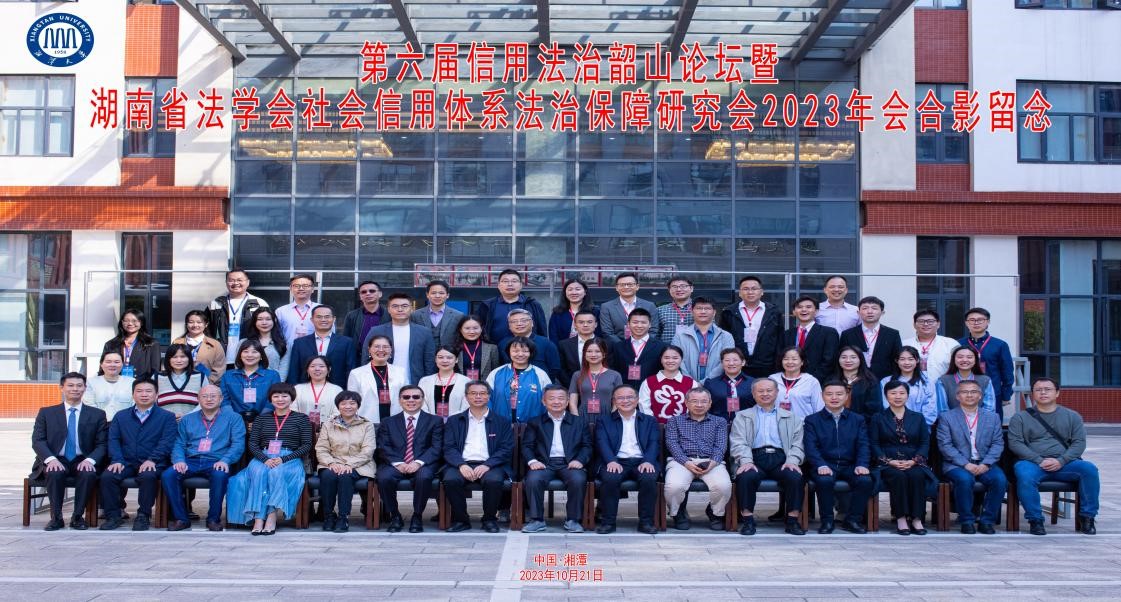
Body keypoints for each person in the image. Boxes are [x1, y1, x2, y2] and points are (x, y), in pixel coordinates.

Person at [1008, 377, 1098, 536]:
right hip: (1033, 463)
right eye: (1038, 390)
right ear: (1032, 394)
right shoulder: (1020, 417)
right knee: (1023, 473)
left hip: (1065, 464)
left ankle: (1087, 517)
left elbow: (1079, 443)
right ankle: (1035, 520)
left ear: (1057, 393)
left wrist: (1061, 460)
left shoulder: (1072, 416)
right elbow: (1015, 443)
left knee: (1089, 469)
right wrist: (1039, 460)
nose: (1043, 392)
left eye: (1047, 389)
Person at [226, 383, 313, 534]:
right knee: (259, 473)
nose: (280, 399)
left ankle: (271, 516)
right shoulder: (261, 419)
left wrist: (284, 459)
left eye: (284, 396)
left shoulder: (301, 418)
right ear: (270, 399)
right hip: (263, 457)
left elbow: (306, 445)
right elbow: (253, 444)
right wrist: (264, 459)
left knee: (275, 473)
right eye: (276, 396)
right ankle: (259, 519)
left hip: (289, 459)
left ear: (292, 398)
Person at [162, 384, 246, 531]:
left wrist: (225, 460)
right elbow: (179, 443)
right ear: (198, 399)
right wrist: (179, 460)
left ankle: (213, 519)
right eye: (205, 396)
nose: (209, 399)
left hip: (217, 460)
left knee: (220, 475)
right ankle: (181, 518)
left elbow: (238, 444)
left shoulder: (234, 418)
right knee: (168, 475)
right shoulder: (187, 419)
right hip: (191, 460)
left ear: (221, 399)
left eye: (213, 396)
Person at [98, 378, 177, 531]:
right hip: (125, 461)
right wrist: (117, 460)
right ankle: (113, 516)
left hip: (153, 462)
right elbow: (113, 439)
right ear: (133, 394)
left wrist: (152, 460)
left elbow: (167, 442)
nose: (144, 394)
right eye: (139, 391)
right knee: (108, 476)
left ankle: (143, 515)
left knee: (148, 476)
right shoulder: (121, 416)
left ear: (156, 395)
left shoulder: (167, 417)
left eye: (148, 391)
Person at [32, 372, 107, 531]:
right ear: (62, 388)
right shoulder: (46, 413)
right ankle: (56, 518)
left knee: (88, 473)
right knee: (54, 472)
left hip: (83, 458)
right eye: (70, 385)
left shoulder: (97, 414)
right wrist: (51, 459)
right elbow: (38, 441)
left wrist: (90, 460)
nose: (75, 389)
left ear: (85, 388)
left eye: (79, 386)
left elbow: (102, 444)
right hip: (56, 458)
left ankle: (77, 517)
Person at [729, 378, 805, 536]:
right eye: (760, 391)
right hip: (754, 457)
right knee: (745, 476)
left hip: (782, 458)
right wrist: (746, 461)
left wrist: (792, 461)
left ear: (776, 392)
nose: (765, 394)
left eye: (769, 390)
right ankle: (748, 521)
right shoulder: (743, 416)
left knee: (795, 477)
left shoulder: (791, 417)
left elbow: (798, 443)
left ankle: (792, 521)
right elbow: (738, 442)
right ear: (753, 394)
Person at [803, 380, 875, 535]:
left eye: (839, 394)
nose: (834, 397)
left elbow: (863, 444)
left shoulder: (858, 419)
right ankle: (827, 521)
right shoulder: (812, 420)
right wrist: (820, 464)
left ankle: (852, 520)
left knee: (865, 480)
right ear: (822, 396)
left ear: (847, 396)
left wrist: (862, 464)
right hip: (825, 464)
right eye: (829, 394)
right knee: (824, 481)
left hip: (850, 464)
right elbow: (810, 447)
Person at [442, 381, 515, 533]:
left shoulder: (501, 421)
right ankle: (461, 520)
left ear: (489, 396)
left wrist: (487, 465)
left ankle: (489, 519)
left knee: (493, 480)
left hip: (491, 464)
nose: (478, 397)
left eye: (482, 393)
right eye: (473, 393)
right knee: (451, 479)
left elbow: (506, 448)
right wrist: (461, 465)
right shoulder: (455, 420)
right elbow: (449, 447)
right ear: (466, 397)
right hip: (462, 463)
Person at [936, 380, 1007, 534]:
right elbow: (945, 445)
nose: (969, 395)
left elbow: (997, 444)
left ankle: (987, 521)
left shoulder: (993, 417)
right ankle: (966, 520)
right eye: (964, 392)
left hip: (985, 463)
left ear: (980, 396)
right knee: (964, 479)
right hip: (956, 464)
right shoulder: (947, 417)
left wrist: (986, 464)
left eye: (973, 392)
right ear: (957, 396)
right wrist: (965, 464)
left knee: (999, 480)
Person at [521, 385, 592, 533]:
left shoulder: (579, 422)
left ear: (567, 401)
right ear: (543, 401)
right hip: (544, 463)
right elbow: (527, 446)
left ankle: (573, 520)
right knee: (533, 479)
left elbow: (587, 446)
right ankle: (537, 520)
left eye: (560, 398)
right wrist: (533, 461)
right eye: (551, 398)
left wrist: (580, 460)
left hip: (570, 463)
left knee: (578, 479)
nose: (556, 402)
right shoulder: (535, 422)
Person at [376, 384, 443, 533]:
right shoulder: (388, 422)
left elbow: (436, 447)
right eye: (406, 397)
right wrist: (398, 463)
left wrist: (418, 463)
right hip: (395, 463)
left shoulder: (435, 421)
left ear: (423, 400)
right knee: (384, 477)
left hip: (423, 463)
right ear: (400, 400)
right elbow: (383, 446)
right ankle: (395, 516)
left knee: (424, 477)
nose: (411, 400)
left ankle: (417, 516)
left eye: (416, 397)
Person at [594, 384, 661, 535]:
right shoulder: (604, 420)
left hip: (642, 461)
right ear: (614, 401)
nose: (625, 401)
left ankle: (646, 522)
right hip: (616, 460)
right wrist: (611, 460)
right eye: (620, 398)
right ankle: (608, 522)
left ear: (637, 400)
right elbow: (602, 442)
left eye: (629, 397)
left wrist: (648, 460)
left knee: (649, 477)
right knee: (610, 478)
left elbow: (654, 442)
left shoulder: (649, 420)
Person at [663, 387, 731, 531]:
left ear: (710, 403)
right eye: (694, 401)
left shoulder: (719, 421)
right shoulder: (674, 421)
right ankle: (678, 513)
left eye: (703, 401)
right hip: (681, 461)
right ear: (686, 403)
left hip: (711, 461)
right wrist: (686, 462)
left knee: (723, 486)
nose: (699, 405)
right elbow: (672, 444)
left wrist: (713, 463)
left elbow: (721, 445)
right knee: (674, 486)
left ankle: (715, 513)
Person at [871, 381, 934, 536]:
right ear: (886, 396)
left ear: (907, 395)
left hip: (913, 461)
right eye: (893, 393)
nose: (897, 396)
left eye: (901, 393)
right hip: (887, 462)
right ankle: (901, 518)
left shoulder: (918, 417)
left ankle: (917, 518)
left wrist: (914, 461)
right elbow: (874, 443)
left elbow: (924, 442)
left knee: (917, 476)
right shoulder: (878, 418)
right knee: (898, 476)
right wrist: (889, 461)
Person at [315, 390, 376, 533]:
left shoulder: (367, 425)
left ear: (358, 406)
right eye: (343, 403)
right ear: (338, 406)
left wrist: (349, 464)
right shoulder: (328, 425)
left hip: (359, 464)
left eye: (352, 403)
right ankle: (329, 516)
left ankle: (343, 517)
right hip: (332, 462)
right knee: (328, 475)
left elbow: (368, 450)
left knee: (345, 476)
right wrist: (331, 463)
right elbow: (321, 448)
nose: (348, 406)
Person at [361, 293, 436, 385]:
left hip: (414, 384)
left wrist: (427, 384)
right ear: (389, 309)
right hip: (383, 382)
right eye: (395, 306)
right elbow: (366, 357)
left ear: (412, 309)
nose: (400, 309)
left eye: (404, 306)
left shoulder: (424, 332)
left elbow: (429, 361)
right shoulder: (376, 331)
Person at [720, 275, 784, 379]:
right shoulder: (729, 312)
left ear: (761, 292)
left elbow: (779, 339)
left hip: (766, 366)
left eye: (754, 289)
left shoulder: (774, 312)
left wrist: (778, 365)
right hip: (738, 366)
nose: (750, 292)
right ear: (740, 293)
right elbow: (724, 340)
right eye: (746, 289)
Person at [960, 307, 1015, 420]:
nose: (976, 323)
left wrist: (1006, 394)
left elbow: (1007, 371)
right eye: (972, 320)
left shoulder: (1000, 345)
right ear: (966, 323)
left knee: (992, 424)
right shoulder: (958, 344)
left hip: (994, 392)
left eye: (980, 320)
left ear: (988, 322)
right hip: (965, 393)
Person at [206, 269, 268, 368]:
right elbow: (206, 330)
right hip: (220, 358)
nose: (235, 283)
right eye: (231, 280)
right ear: (226, 282)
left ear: (248, 282)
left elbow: (267, 331)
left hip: (249, 358)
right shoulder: (216, 304)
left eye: (239, 280)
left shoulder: (259, 303)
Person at [285, 305, 355, 388]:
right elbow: (294, 371)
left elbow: (350, 369)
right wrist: (294, 391)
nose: (323, 320)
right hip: (305, 389)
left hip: (337, 389)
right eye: (319, 317)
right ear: (312, 320)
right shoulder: (299, 343)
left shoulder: (346, 342)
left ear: (334, 319)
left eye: (327, 317)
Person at [487, 336, 553, 423]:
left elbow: (549, 400)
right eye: (515, 351)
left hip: (533, 426)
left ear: (531, 353)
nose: (520, 354)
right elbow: (487, 399)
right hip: (500, 424)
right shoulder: (496, 373)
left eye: (525, 351)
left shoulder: (540, 374)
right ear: (509, 352)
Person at [673, 297, 735, 382]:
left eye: (707, 308)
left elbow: (726, 361)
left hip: (716, 383)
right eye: (699, 308)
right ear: (692, 312)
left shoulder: (726, 336)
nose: (703, 311)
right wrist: (690, 382)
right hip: (686, 384)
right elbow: (676, 360)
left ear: (714, 312)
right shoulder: (680, 336)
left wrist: (705, 382)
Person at [477, 269, 548, 344]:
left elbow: (542, 330)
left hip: (527, 348)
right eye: (505, 281)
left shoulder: (532, 304)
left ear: (521, 285)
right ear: (498, 285)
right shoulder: (487, 305)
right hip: (495, 348)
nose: (510, 284)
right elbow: (479, 329)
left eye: (514, 281)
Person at [839, 296, 902, 380]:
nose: (869, 311)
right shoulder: (848, 334)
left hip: (884, 379)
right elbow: (841, 358)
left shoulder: (892, 334)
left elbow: (897, 359)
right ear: (858, 312)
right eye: (865, 308)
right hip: (855, 379)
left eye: (874, 308)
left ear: (882, 312)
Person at [219, 339, 282, 422]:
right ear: (240, 355)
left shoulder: (273, 375)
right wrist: (235, 419)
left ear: (261, 356)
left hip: (265, 421)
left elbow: (273, 400)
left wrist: (260, 419)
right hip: (234, 421)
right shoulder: (228, 376)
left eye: (254, 352)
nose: (249, 355)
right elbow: (224, 401)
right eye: (245, 351)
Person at [349, 335, 406, 424]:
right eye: (377, 346)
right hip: (367, 422)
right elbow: (352, 402)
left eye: (385, 347)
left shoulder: (401, 372)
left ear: (391, 350)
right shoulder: (356, 373)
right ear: (369, 350)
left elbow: (406, 397)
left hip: (395, 422)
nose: (381, 350)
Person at [784, 295, 839, 383]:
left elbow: (829, 361)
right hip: (791, 381)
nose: (804, 310)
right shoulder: (786, 334)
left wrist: (811, 381)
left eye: (808, 307)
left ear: (816, 311)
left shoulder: (829, 333)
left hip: (819, 382)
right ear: (794, 312)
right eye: (799, 307)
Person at [498, 308, 561, 382]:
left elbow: (554, 368)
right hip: (510, 385)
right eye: (514, 321)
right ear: (509, 326)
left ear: (532, 323)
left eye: (523, 320)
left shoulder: (546, 343)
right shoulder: (503, 344)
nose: (519, 324)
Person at [567, 338, 622, 421]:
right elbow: (572, 402)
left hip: (607, 418)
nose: (593, 354)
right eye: (589, 351)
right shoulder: (577, 375)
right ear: (584, 354)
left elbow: (618, 401)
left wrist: (612, 420)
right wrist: (577, 420)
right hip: (582, 418)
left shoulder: (615, 375)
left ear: (604, 354)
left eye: (597, 351)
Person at [609, 309, 666, 389]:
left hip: (652, 390)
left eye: (643, 322)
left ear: (650, 325)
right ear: (628, 324)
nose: (639, 326)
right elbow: (614, 370)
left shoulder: (661, 347)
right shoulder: (618, 347)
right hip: (625, 391)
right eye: (635, 322)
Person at [638, 345, 696, 423]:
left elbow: (693, 407)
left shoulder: (691, 383)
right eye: (666, 358)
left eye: (675, 358)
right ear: (661, 359)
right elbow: (644, 406)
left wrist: (683, 424)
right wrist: (653, 424)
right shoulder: (648, 382)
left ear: (681, 360)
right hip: (654, 426)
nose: (670, 361)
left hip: (684, 427)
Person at [881, 346, 938, 426]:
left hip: (920, 428)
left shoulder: (927, 383)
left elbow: (930, 411)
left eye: (911, 359)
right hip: (892, 428)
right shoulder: (886, 381)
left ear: (917, 360)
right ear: (896, 361)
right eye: (902, 359)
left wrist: (915, 427)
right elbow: (885, 406)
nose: (907, 363)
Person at [599, 272, 660, 344]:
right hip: (617, 348)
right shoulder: (606, 307)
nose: (626, 287)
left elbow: (654, 330)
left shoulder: (650, 306)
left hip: (645, 347)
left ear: (637, 287)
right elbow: (607, 332)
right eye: (622, 285)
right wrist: (623, 347)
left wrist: (640, 345)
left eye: (630, 284)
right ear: (617, 288)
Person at [102, 309, 162, 379]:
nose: (130, 323)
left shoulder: (151, 344)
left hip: (141, 384)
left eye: (134, 321)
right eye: (126, 320)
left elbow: (155, 370)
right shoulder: (111, 344)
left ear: (141, 323)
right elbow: (103, 367)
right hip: (116, 383)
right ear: (122, 322)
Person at [935, 346, 997, 414]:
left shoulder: (985, 380)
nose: (964, 360)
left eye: (969, 357)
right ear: (953, 360)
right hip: (950, 420)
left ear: (975, 360)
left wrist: (977, 420)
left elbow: (989, 408)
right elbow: (943, 410)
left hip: (981, 420)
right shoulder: (943, 381)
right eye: (960, 357)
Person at [769, 346, 824, 420]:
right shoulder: (772, 379)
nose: (790, 362)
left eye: (794, 359)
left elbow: (819, 408)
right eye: (786, 359)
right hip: (776, 423)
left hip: (803, 424)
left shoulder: (811, 381)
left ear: (802, 362)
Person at [171, 310, 226, 384]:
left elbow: (219, 369)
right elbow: (169, 364)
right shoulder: (177, 342)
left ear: (206, 324)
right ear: (186, 324)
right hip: (179, 384)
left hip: (206, 385)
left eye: (199, 322)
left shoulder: (215, 345)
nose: (195, 325)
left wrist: (205, 383)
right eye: (191, 322)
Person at [902, 309, 959, 378]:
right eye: (921, 321)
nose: (925, 324)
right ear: (914, 325)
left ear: (938, 324)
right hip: (910, 384)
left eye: (930, 321)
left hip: (943, 384)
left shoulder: (951, 344)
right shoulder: (904, 344)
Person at [832, 346, 884, 422]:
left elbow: (874, 410)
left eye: (853, 357)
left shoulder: (871, 382)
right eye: (843, 357)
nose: (848, 360)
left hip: (863, 424)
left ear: (860, 360)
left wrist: (852, 421)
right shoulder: (832, 381)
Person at [419, 346, 472, 419]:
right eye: (440, 357)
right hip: (430, 423)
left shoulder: (466, 381)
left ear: (456, 360)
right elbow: (421, 404)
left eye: (449, 358)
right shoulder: (425, 381)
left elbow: (466, 407)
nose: (444, 361)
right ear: (435, 359)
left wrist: (451, 421)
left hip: (457, 422)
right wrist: (433, 421)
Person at [410, 280, 465, 350]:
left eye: (441, 293)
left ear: (447, 295)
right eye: (433, 293)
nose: (437, 296)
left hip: (448, 355)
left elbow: (460, 339)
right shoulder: (415, 315)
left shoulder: (458, 315)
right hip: (422, 354)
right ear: (427, 295)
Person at [703, 348, 755, 420]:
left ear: (743, 362)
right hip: (718, 424)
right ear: (722, 363)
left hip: (746, 423)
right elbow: (706, 408)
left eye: (735, 360)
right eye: (727, 360)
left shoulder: (753, 383)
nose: (731, 363)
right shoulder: (711, 384)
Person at [156, 343, 207, 418]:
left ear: (189, 358)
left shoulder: (200, 376)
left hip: (192, 421)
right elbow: (151, 402)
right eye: (174, 357)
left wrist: (187, 417)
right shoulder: (157, 377)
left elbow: (206, 400)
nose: (179, 360)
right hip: (164, 421)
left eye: (183, 357)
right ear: (168, 359)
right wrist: (169, 417)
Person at [82, 350, 135, 421]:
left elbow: (135, 405)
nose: (112, 365)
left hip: (125, 423)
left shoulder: (132, 382)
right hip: (99, 423)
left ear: (122, 364)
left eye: (117, 362)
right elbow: (89, 405)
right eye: (108, 362)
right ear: (101, 364)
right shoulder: (91, 382)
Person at [341, 280, 386, 362]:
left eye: (372, 291)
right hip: (358, 359)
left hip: (384, 358)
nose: (368, 294)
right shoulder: (351, 316)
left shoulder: (390, 315)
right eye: (363, 292)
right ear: (360, 296)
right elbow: (346, 340)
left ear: (380, 294)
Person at [274, 273, 321, 350]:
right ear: (291, 288)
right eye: (296, 286)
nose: (301, 288)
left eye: (305, 286)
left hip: (316, 353)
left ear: (312, 289)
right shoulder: (281, 311)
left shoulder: (321, 310)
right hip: (289, 352)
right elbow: (276, 336)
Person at [293, 356, 343, 427]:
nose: (317, 369)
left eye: (321, 366)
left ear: (329, 369)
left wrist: (324, 427)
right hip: (301, 429)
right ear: (307, 370)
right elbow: (293, 410)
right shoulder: (298, 389)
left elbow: (339, 412)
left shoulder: (337, 390)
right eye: (312, 366)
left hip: (330, 429)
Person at [243, 307, 290, 382]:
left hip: (273, 385)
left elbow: (283, 372)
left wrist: (276, 387)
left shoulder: (284, 344)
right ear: (254, 321)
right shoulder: (244, 342)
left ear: (274, 321)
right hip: (248, 384)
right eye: (260, 319)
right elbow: (238, 368)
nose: (264, 323)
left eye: (268, 319)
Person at [548, 278, 600, 344]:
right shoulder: (558, 313)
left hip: (590, 349)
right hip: (564, 349)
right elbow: (553, 337)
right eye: (570, 289)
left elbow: (599, 334)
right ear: (565, 293)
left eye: (577, 289)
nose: (574, 292)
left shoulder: (595, 312)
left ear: (585, 292)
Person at [557, 309, 599, 387]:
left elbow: (610, 367)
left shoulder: (607, 344)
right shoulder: (564, 345)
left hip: (601, 387)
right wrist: (573, 386)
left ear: (596, 324)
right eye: (581, 322)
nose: (585, 325)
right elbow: (561, 370)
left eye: (589, 322)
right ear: (575, 325)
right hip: (572, 387)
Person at [452, 315, 500, 381]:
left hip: (485, 386)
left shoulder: (492, 348)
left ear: (481, 329)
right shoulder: (454, 347)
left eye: (475, 328)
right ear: (460, 330)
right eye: (467, 328)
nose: (472, 332)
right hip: (460, 385)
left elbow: (496, 372)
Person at [655, 275, 694, 343]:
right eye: (674, 287)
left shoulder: (700, 309)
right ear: (669, 290)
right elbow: (656, 335)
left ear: (691, 288)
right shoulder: (660, 310)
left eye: (683, 286)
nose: (678, 289)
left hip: (693, 349)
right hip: (667, 349)